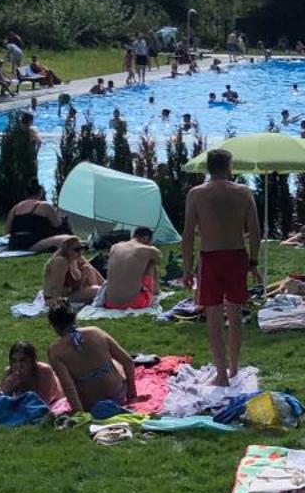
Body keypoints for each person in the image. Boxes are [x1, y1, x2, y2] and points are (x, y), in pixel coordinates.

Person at [183, 147, 262, 387]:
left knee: (214, 318)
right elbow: (255, 231)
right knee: (235, 315)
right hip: (237, 256)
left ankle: (221, 374)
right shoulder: (243, 192)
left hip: (211, 258)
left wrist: (187, 268)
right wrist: (253, 262)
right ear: (229, 168)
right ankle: (235, 367)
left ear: (208, 167)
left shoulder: (196, 194)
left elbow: (188, 235)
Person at [45, 303, 137, 414]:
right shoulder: (95, 332)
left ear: (54, 326)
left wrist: (80, 413)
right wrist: (132, 390)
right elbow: (127, 361)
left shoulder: (55, 351)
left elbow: (68, 386)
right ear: (74, 317)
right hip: (117, 396)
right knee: (114, 363)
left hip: (90, 403)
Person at [103, 226, 164, 310]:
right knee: (152, 262)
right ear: (146, 238)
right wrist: (152, 249)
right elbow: (159, 258)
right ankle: (156, 291)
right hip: (134, 303)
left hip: (109, 302)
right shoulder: (148, 249)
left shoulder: (115, 247)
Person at [0, 340, 67, 411]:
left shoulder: (44, 371)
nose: (18, 365)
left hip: (55, 396)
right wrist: (7, 390)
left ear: (32, 362)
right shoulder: (9, 372)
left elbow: (43, 404)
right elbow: (1, 403)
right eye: (14, 361)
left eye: (23, 360)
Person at [4, 184, 69, 252]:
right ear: (40, 193)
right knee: (66, 238)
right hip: (33, 243)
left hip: (14, 244)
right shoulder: (45, 206)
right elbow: (57, 224)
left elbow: (7, 231)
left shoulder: (15, 208)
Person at [42, 238, 103, 307]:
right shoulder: (61, 261)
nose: (80, 252)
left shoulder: (76, 257)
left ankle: (105, 292)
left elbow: (93, 270)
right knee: (97, 291)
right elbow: (56, 286)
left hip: (74, 291)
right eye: (76, 249)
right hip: (57, 296)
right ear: (66, 250)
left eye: (81, 248)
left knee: (87, 269)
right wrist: (54, 300)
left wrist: (105, 284)